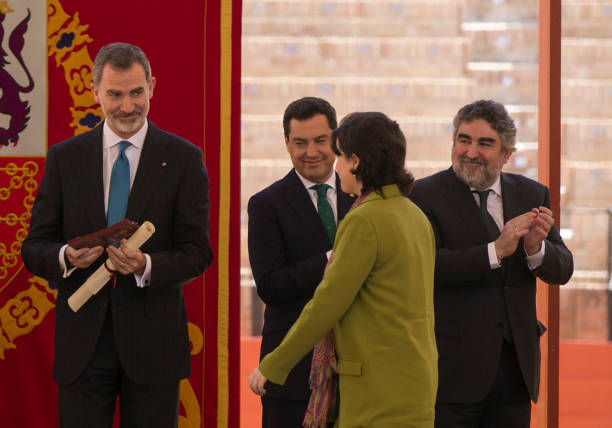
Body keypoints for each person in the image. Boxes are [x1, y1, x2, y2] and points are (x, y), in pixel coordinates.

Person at [21, 42, 213, 427]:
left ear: (152, 86)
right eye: (115, 94)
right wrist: (65, 257)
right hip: (82, 346)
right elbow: (34, 247)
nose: (128, 106)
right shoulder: (64, 158)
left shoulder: (184, 159)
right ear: (95, 93)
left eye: (137, 92)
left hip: (154, 346)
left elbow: (197, 253)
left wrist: (146, 265)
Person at [249, 112, 438, 427]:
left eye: (339, 155)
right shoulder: (414, 214)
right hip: (417, 381)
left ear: (356, 161)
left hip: (376, 389)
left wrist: (274, 365)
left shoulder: (364, 220)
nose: (335, 165)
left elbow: (327, 303)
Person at [409, 99, 573, 428]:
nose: (471, 152)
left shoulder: (532, 193)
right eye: (464, 140)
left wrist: (535, 249)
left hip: (514, 371)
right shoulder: (422, 195)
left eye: (485, 143)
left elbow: (563, 268)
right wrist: (495, 250)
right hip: (452, 372)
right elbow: (426, 267)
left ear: (506, 153)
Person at [247, 97, 355, 427]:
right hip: (293, 368)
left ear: (336, 140)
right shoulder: (266, 204)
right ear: (286, 143)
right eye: (300, 142)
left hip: (357, 364)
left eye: (321, 140)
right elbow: (270, 285)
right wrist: (332, 259)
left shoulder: (362, 196)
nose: (312, 152)